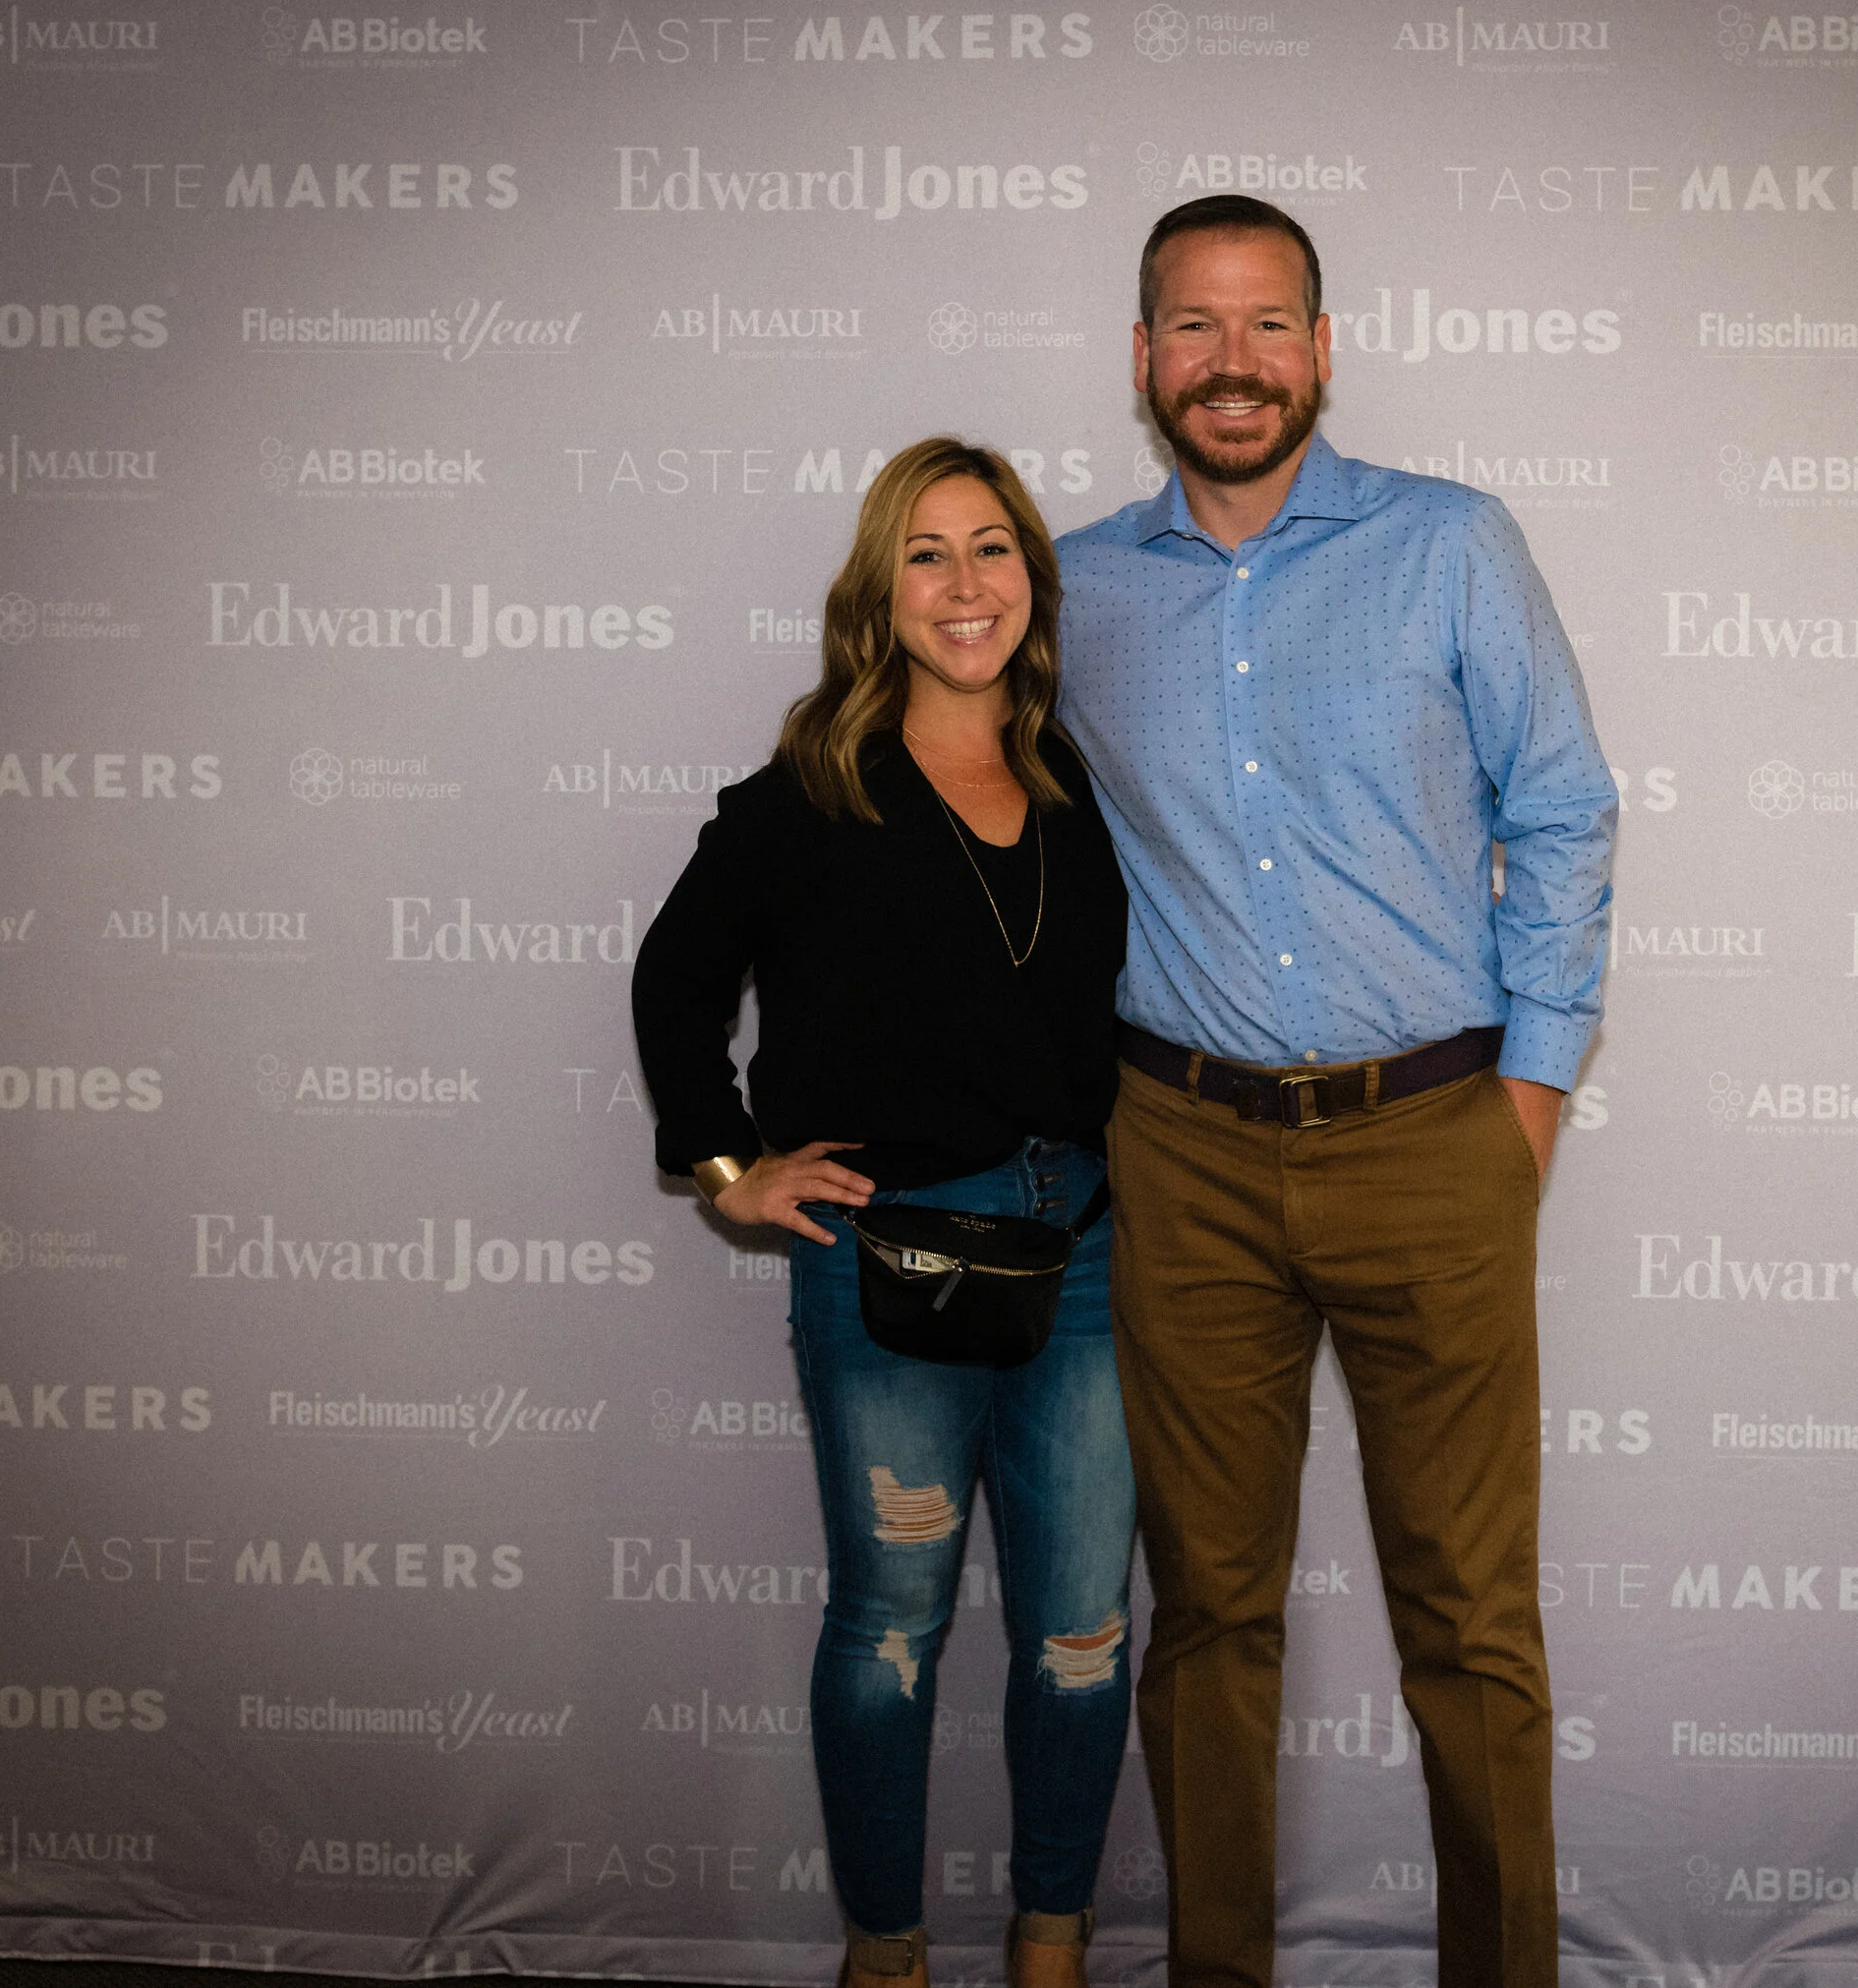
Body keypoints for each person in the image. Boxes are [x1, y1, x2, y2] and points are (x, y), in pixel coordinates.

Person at [1054, 196, 1617, 1988]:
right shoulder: (1069, 590)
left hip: (1437, 1140)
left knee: (1471, 1621)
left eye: (1268, 323)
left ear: (1322, 346)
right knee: (1207, 1618)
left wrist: (1527, 1098)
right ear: (1142, 356)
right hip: (1184, 1156)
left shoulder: (1449, 544)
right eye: (1194, 325)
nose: (1233, 362)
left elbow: (1564, 810)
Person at [631, 438, 1135, 1988]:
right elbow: (674, 982)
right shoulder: (808, 794)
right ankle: (888, 1960)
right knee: (892, 1626)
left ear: (1033, 582)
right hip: (889, 1265)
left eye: (992, 549)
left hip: (1085, 1257)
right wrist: (731, 1170)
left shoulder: (1083, 785)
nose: (964, 584)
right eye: (927, 553)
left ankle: (1051, 1948)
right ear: (879, 593)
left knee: (1082, 1632)